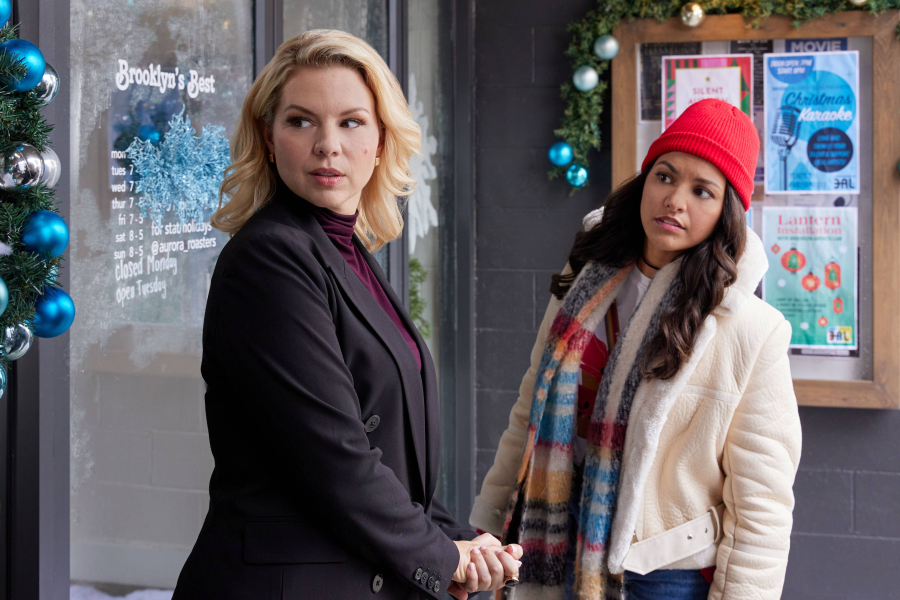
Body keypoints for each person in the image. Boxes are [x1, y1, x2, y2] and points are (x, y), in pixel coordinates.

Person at [172, 29, 521, 600]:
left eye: (351, 122)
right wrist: (441, 558)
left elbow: (391, 455)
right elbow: (335, 456)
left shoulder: (344, 251)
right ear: (269, 138)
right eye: (301, 121)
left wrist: (461, 541)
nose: (327, 145)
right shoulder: (270, 258)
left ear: (381, 141)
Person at [469, 99, 802, 600]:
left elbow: (763, 503)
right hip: (553, 534)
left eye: (702, 190)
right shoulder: (586, 280)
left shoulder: (751, 330)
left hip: (663, 573)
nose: (675, 200)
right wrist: (493, 519)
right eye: (665, 176)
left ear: (726, 212)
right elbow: (529, 410)